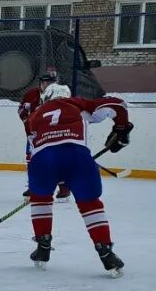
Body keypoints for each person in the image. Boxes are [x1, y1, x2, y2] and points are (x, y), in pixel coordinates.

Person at [24, 83, 130, 276]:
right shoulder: (77, 104)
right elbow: (118, 105)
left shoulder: (34, 116)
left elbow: (33, 150)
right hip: (76, 155)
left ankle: (43, 246)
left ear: (46, 98)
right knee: (90, 204)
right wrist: (121, 128)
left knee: (41, 199)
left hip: (42, 159)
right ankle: (106, 252)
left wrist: (41, 183)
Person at [18, 68, 69, 200]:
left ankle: (64, 188)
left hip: (54, 135)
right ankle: (34, 186)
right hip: (34, 135)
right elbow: (21, 110)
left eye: (50, 83)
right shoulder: (31, 94)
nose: (46, 85)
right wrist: (27, 121)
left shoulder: (60, 94)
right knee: (32, 159)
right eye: (44, 83)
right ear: (40, 83)